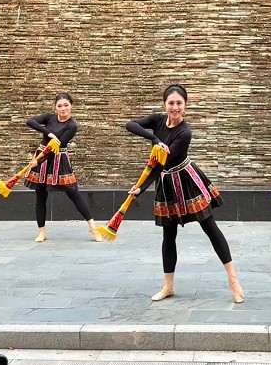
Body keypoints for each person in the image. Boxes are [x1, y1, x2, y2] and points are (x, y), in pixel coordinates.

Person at [126, 84, 244, 303]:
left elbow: (161, 164)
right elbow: (131, 125)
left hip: (187, 181)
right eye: (171, 103)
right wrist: (155, 139)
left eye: (179, 103)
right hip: (166, 184)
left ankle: (233, 281)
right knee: (168, 234)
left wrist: (141, 187)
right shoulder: (158, 121)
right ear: (165, 104)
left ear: (185, 105)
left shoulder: (184, 132)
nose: (175, 107)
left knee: (210, 227)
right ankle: (168, 286)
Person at [25, 93, 102, 242]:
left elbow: (56, 148)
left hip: (58, 158)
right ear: (55, 107)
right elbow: (30, 121)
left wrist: (38, 161)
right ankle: (42, 232)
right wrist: (48, 133)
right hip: (41, 157)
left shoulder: (71, 126)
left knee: (73, 192)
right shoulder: (49, 118)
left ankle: (93, 228)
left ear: (71, 106)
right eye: (59, 106)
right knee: (40, 195)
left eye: (66, 105)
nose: (63, 109)